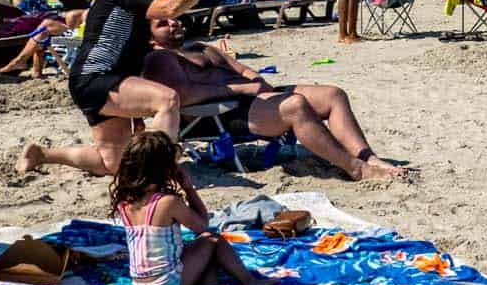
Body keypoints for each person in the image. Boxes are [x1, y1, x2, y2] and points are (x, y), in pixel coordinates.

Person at [16, 0, 233, 178]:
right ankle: (158, 172)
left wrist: (136, 113)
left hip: (97, 81)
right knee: (168, 100)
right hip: (98, 78)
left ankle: (42, 154)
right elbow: (170, 8)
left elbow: (132, 54)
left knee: (112, 163)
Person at [141, 16, 407, 180]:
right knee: (296, 105)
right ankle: (355, 168)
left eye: (173, 18)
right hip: (218, 114)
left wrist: (255, 80)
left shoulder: (200, 48)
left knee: (332, 95)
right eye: (162, 23)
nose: (173, 22)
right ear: (150, 38)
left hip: (252, 98)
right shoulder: (160, 58)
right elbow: (182, 95)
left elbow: (242, 69)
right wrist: (240, 89)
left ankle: (368, 157)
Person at [110, 131, 274, 285]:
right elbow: (203, 225)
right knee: (212, 240)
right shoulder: (167, 202)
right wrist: (188, 188)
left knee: (198, 247)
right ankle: (249, 282)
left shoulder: (125, 202)